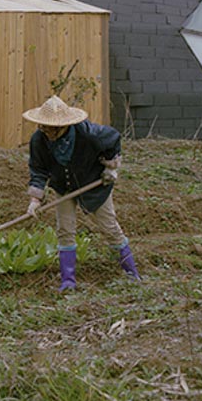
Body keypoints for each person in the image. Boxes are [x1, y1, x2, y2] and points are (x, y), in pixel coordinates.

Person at [23, 95, 140, 290]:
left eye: (53, 129)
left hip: (94, 185)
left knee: (109, 228)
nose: (48, 133)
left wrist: (110, 167)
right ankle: (68, 282)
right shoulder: (38, 140)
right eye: (45, 127)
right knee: (65, 231)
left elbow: (114, 140)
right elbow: (38, 169)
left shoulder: (90, 135)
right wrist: (35, 199)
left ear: (65, 125)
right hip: (63, 187)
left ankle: (132, 273)